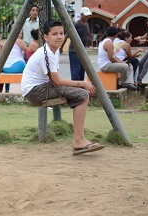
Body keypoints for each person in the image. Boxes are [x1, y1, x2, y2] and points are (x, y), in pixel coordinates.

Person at [21, 20, 104, 156]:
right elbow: (58, 81)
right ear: (46, 37)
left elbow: (55, 80)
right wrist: (82, 83)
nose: (59, 37)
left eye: (61, 33)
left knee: (81, 94)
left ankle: (79, 139)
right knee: (83, 94)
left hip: (42, 87)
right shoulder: (46, 53)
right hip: (35, 91)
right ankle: (78, 140)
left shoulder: (54, 51)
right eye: (54, 34)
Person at [97, 26, 138, 91]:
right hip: (105, 65)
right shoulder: (109, 43)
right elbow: (112, 58)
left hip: (107, 64)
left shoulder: (106, 41)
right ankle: (121, 83)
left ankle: (129, 83)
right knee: (125, 67)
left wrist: (122, 62)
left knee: (129, 65)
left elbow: (114, 56)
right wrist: (122, 63)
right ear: (116, 35)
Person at [60, 7, 92, 81]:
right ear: (81, 15)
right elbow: (67, 36)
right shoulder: (76, 25)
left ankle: (80, 87)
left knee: (82, 70)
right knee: (76, 71)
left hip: (82, 50)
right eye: (86, 15)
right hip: (74, 51)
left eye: (88, 15)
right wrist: (61, 47)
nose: (87, 17)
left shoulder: (87, 24)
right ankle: (75, 88)